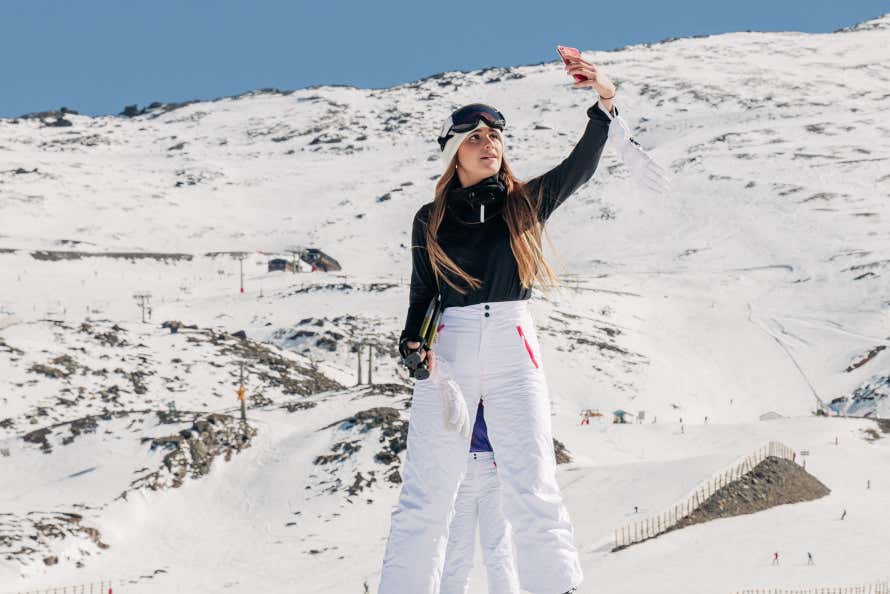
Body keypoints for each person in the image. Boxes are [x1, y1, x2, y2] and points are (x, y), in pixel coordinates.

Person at [379, 55, 666, 594]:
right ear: (454, 150)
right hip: (454, 349)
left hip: (514, 343)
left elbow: (580, 166)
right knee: (427, 493)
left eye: (496, 135)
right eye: (475, 136)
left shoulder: (525, 203)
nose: (490, 143)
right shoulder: (430, 218)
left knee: (533, 487)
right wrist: (412, 343)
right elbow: (424, 295)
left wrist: (605, 101)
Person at [440, 401, 520, 594]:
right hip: (461, 468)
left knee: (498, 549)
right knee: (457, 551)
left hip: (492, 469)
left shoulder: (495, 388)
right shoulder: (457, 384)